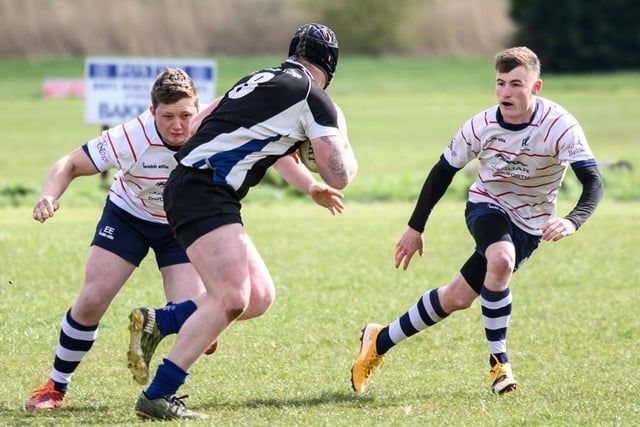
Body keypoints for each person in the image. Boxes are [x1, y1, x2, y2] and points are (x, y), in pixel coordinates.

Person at [24, 67, 343, 412]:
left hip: (185, 227)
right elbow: (69, 163)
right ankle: (55, 387)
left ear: (198, 108)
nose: (178, 125)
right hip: (129, 217)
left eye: (185, 115)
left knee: (210, 328)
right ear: (152, 113)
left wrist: (310, 185)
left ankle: (155, 323)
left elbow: (276, 153)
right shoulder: (133, 136)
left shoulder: (215, 124)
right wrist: (48, 195)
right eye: (167, 117)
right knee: (92, 300)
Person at [128, 23, 357, 421]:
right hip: (204, 188)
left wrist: (306, 183)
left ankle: (161, 320)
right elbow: (340, 175)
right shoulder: (314, 98)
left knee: (258, 296)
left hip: (197, 186)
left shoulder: (260, 78)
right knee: (232, 298)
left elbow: (199, 125)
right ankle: (159, 394)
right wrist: (340, 140)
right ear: (330, 64)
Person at [351, 46, 604, 395]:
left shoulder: (560, 127)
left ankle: (379, 340)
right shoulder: (481, 125)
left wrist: (573, 220)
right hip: (487, 205)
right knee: (500, 260)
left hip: (531, 224)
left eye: (516, 84)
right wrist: (415, 227)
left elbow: (593, 182)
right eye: (500, 83)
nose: (506, 93)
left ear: (537, 87)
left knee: (456, 298)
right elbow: (442, 172)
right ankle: (499, 364)